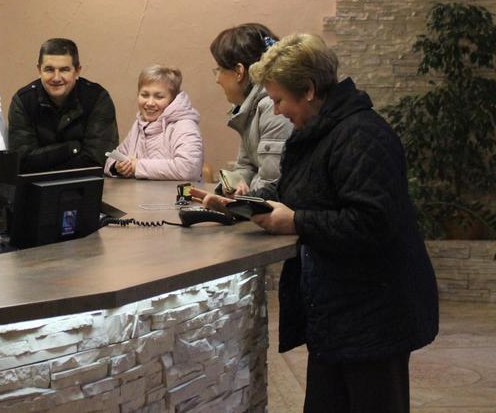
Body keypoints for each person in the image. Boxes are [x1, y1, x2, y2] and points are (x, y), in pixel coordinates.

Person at [198, 33, 438, 413]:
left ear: (308, 90)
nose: (277, 111)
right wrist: (238, 205)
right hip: (338, 314)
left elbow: (372, 223)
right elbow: (294, 189)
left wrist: (296, 221)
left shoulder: (362, 135)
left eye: (279, 100)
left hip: (375, 315)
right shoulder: (318, 131)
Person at [8, 38, 118, 173]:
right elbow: (21, 161)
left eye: (64, 70)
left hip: (84, 183)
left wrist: (45, 160)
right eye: (49, 69)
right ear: (39, 70)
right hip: (35, 185)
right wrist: (71, 148)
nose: (56, 78)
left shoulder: (97, 99)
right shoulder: (23, 101)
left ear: (77, 71)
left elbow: (98, 160)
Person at [209, 23, 293, 195]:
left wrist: (242, 192)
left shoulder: (272, 106)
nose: (217, 79)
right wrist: (231, 185)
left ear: (239, 72)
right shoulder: (249, 107)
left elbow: (273, 185)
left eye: (219, 69)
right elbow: (246, 167)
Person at [104, 65, 203, 181]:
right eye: (144, 95)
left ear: (172, 100)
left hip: (174, 193)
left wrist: (137, 166)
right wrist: (117, 167)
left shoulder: (184, 125)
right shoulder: (139, 124)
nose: (150, 103)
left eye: (159, 97)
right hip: (136, 192)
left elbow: (188, 169)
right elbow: (112, 158)